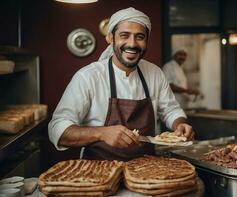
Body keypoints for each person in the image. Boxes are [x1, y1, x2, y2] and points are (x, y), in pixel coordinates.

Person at [48, 7, 194, 161]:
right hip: (98, 170)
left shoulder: (155, 73)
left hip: (146, 168)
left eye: (139, 37)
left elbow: (171, 110)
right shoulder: (88, 76)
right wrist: (101, 133)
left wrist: (180, 124)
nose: (132, 43)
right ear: (110, 38)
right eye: (125, 35)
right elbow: (58, 129)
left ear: (146, 41)